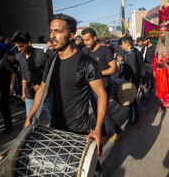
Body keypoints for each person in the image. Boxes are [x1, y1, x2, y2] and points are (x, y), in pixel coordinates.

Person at [22, 14, 107, 158]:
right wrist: (29, 117)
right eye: (51, 31)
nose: (52, 36)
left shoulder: (87, 63)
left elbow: (101, 95)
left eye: (58, 31)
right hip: (56, 128)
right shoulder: (52, 61)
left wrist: (98, 128)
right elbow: (43, 89)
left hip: (79, 131)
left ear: (71, 36)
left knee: (88, 171)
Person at [82, 28, 124, 142]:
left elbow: (114, 68)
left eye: (87, 40)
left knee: (103, 114)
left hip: (104, 87)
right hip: (91, 88)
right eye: (84, 40)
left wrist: (98, 74)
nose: (85, 43)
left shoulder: (104, 51)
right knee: (96, 113)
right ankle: (103, 134)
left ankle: (118, 131)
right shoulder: (85, 51)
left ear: (94, 38)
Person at [12, 31, 52, 121]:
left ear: (29, 43)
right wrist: (23, 92)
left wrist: (41, 85)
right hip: (29, 93)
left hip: (45, 92)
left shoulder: (42, 56)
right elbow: (24, 75)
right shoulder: (20, 57)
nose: (19, 49)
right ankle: (33, 134)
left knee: (51, 114)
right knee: (30, 119)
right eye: (17, 47)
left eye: (21, 46)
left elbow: (50, 76)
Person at [119, 35, 146, 124]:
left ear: (127, 43)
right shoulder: (125, 53)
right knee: (129, 98)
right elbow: (126, 67)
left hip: (135, 79)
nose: (121, 46)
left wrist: (143, 81)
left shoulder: (137, 53)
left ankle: (135, 115)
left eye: (122, 44)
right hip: (127, 79)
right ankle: (130, 112)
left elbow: (142, 67)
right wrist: (119, 75)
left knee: (132, 98)